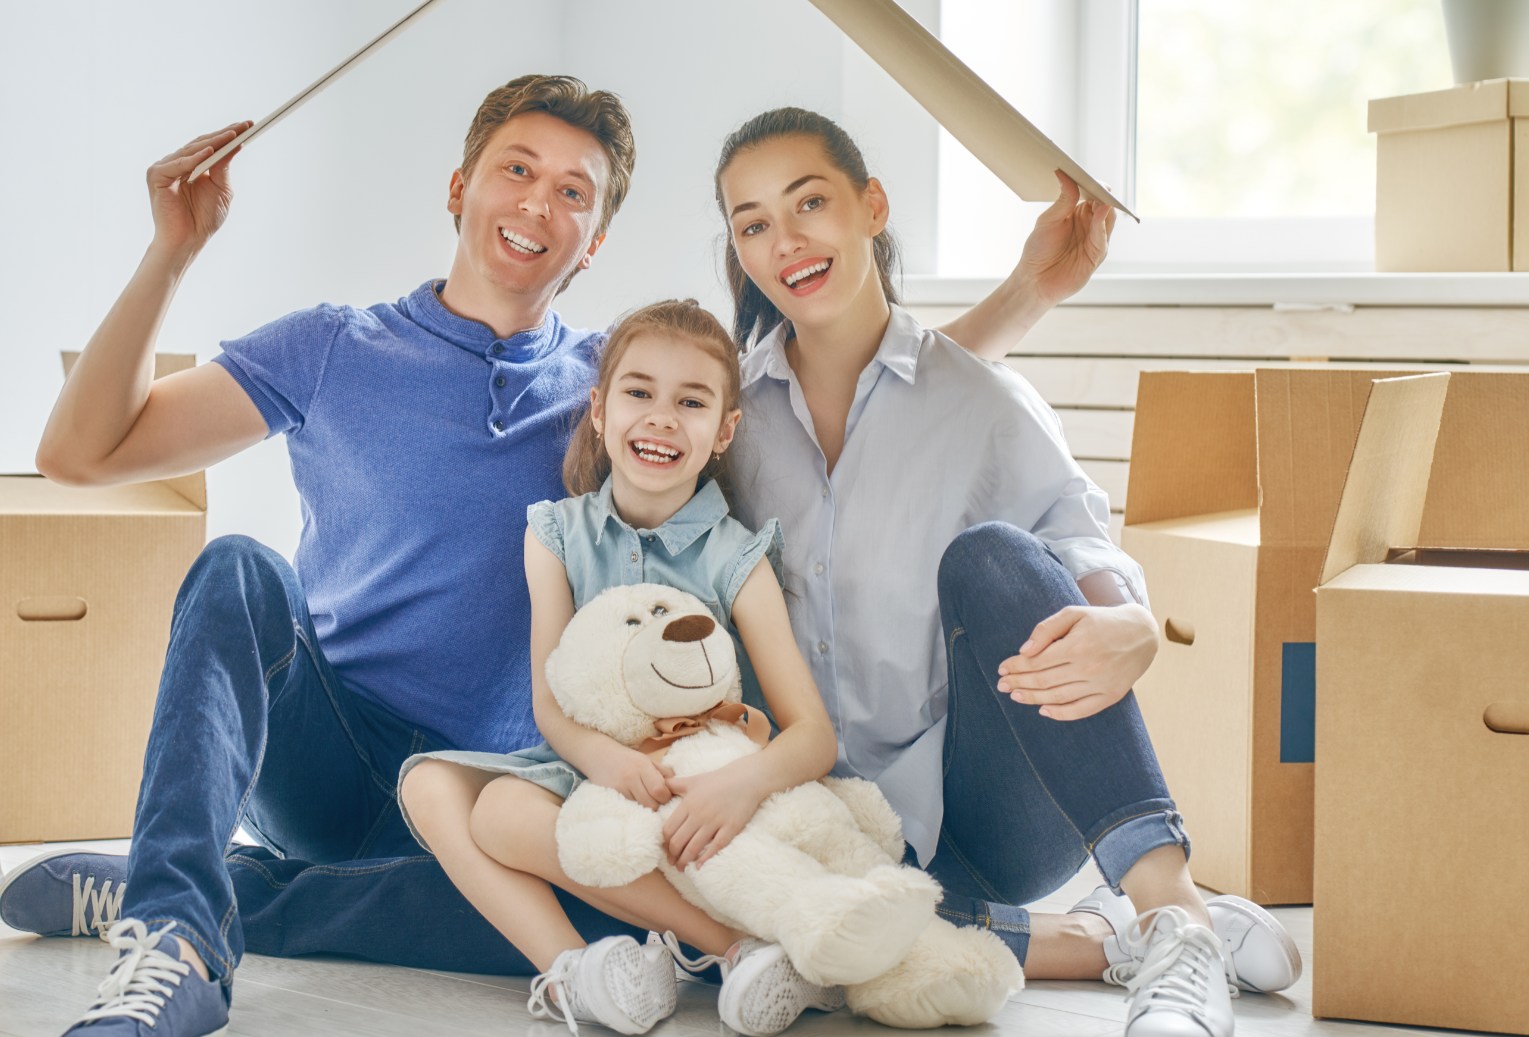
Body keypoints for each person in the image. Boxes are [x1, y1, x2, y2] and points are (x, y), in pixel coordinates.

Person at [0, 75, 1112, 1037]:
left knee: (635, 915)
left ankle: (197, 878)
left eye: (573, 192)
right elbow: (80, 452)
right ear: (459, 188)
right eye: (515, 170)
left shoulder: (614, 386)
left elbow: (852, 408)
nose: (537, 203)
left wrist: (1027, 298)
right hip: (333, 755)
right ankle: (177, 934)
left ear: (598, 238)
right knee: (236, 567)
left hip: (514, 790)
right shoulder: (330, 347)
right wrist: (171, 252)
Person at [466, 107, 1303, 1037]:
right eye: (752, 225)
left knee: (996, 560)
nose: (784, 241)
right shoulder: (725, 421)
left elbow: (1078, 542)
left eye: (809, 203)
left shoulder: (983, 403)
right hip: (823, 821)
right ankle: (1109, 936)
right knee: (822, 926)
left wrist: (1131, 623)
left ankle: (1173, 913)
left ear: (872, 206)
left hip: (985, 812)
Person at [400, 299, 850, 1037]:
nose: (662, 418)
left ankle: (738, 949)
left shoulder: (735, 555)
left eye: (691, 402)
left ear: (723, 431)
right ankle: (583, 974)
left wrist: (736, 787)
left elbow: (813, 738)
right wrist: (605, 761)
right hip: (592, 773)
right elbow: (552, 703)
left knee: (507, 814)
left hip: (701, 786)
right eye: (639, 393)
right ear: (600, 411)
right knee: (449, 792)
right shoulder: (554, 533)